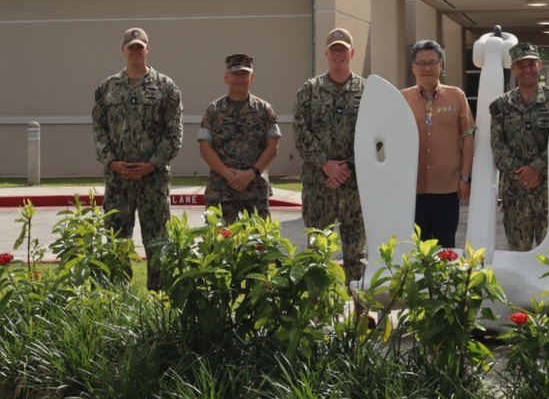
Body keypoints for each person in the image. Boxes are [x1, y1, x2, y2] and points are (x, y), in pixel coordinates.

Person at [92, 27, 183, 290]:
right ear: (123, 50)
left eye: (139, 46)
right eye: (130, 46)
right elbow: (98, 128)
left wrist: (152, 164)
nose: (135, 51)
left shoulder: (166, 87)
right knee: (116, 241)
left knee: (158, 240)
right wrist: (111, 162)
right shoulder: (107, 88)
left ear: (147, 49)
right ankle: (117, 299)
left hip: (153, 179)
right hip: (118, 179)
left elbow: (174, 132)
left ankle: (160, 299)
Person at [293, 28, 366, 283]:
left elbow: (375, 137)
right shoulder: (309, 91)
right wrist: (326, 165)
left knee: (357, 253)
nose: (338, 55)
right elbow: (300, 132)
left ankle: (359, 311)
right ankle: (318, 311)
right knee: (317, 252)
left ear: (352, 53)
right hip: (319, 185)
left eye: (343, 50)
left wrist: (347, 167)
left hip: (355, 186)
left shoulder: (367, 91)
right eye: (334, 50)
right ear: (326, 53)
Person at [490, 42, 549, 251]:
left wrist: (536, 169)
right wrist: (522, 176)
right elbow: (498, 146)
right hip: (515, 195)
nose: (527, 70)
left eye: (531, 64)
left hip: (548, 194)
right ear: (513, 69)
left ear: (539, 65)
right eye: (521, 65)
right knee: (518, 254)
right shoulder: (501, 105)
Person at [401, 40, 475, 248]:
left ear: (441, 65)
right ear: (413, 66)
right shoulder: (402, 99)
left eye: (432, 62)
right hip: (411, 189)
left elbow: (468, 136)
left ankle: (445, 283)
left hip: (447, 189)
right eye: (421, 63)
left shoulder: (456, 96)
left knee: (445, 249)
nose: (427, 68)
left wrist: (466, 178)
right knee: (416, 250)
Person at [197, 53, 281, 225]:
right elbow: (205, 148)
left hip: (255, 193)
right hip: (221, 194)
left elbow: (273, 147)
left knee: (258, 249)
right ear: (226, 77)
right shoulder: (214, 110)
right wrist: (230, 176)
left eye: (244, 74)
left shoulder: (264, 110)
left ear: (252, 77)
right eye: (235, 74)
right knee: (219, 247)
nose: (239, 78)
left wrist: (250, 174)